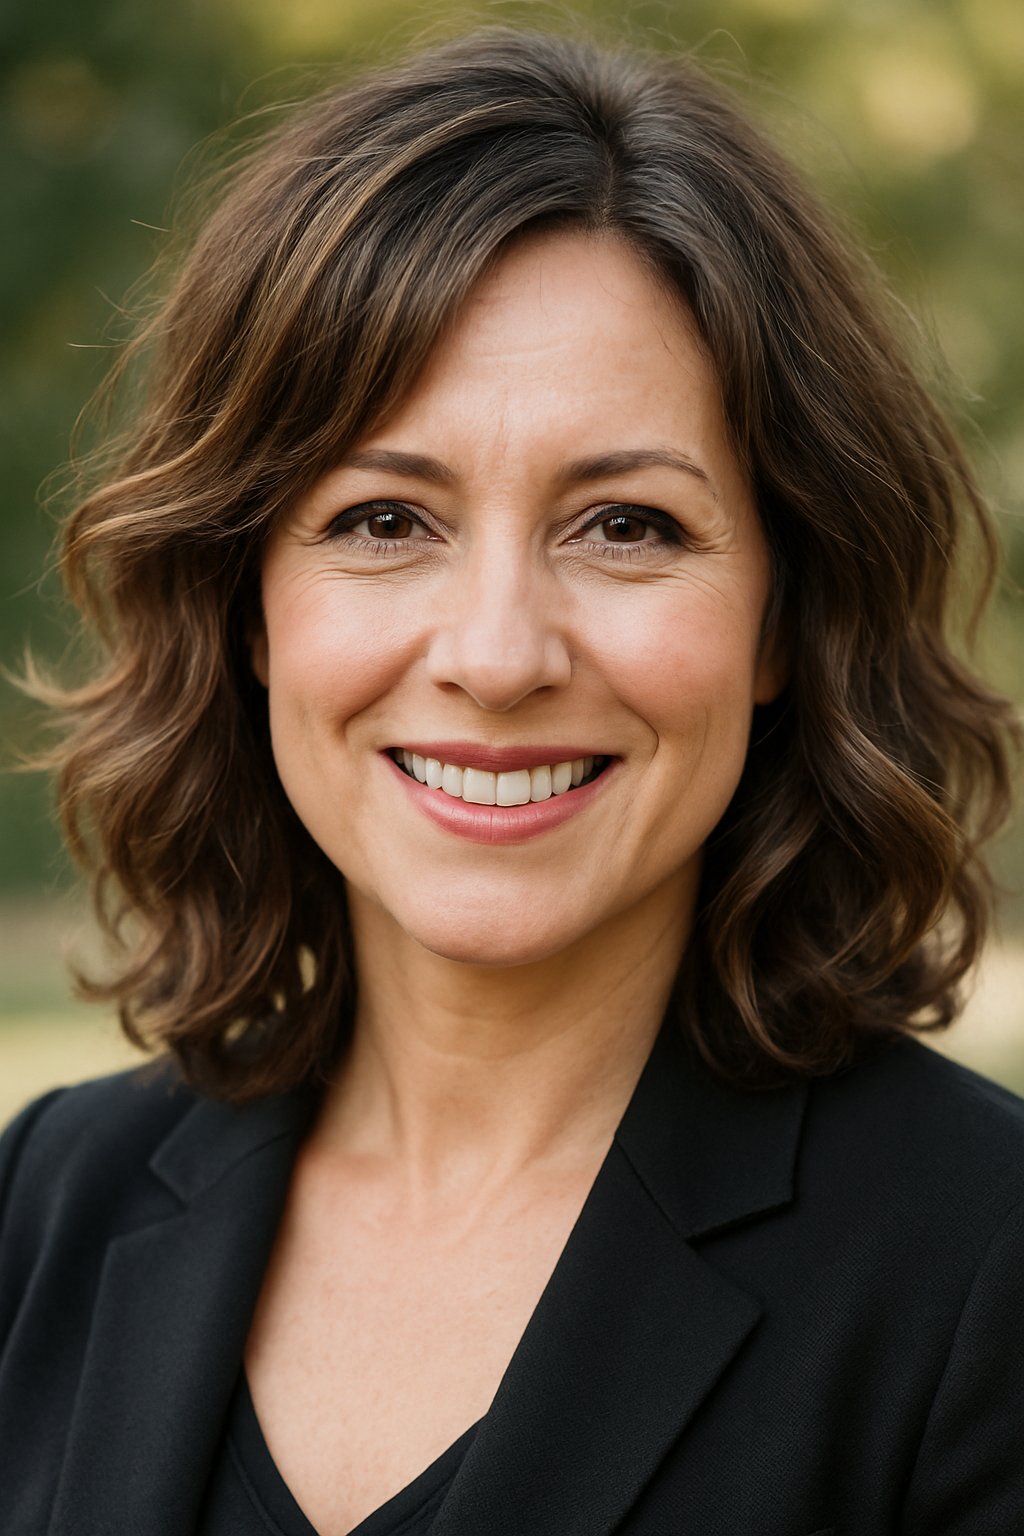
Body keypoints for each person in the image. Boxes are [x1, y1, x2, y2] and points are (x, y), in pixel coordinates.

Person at [2, 24, 1022, 1536]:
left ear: (781, 623)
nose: (496, 655)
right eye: (382, 521)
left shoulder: (981, 1267)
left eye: (626, 525)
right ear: (247, 606)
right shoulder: (43, 1211)